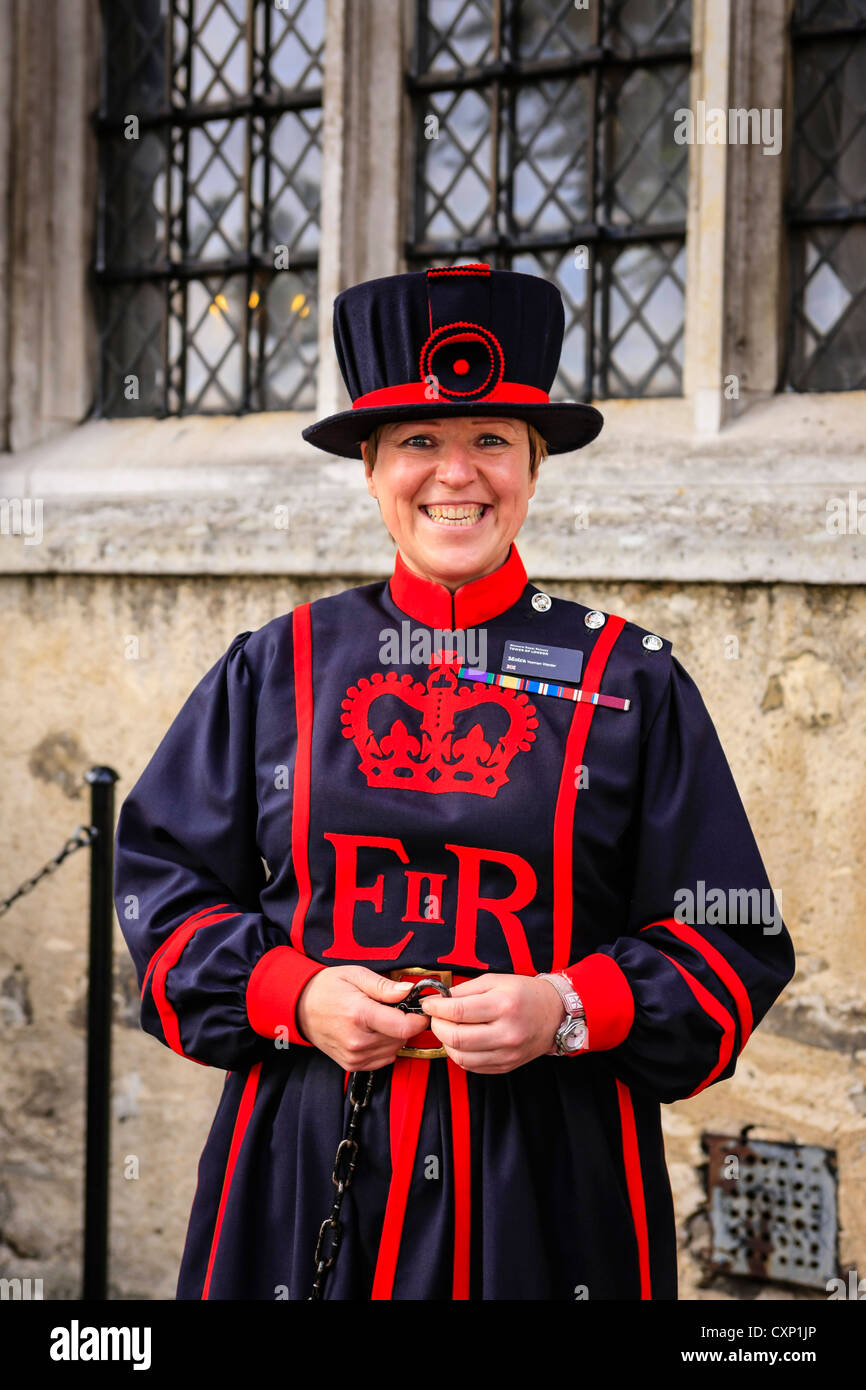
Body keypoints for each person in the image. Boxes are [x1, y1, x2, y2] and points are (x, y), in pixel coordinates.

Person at [113, 262, 795, 1300]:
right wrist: (290, 991)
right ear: (371, 466)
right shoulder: (275, 665)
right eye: (419, 441)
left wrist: (569, 1008)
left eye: (489, 440)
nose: (454, 473)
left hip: (553, 1171)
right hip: (305, 1148)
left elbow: (728, 934)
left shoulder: (632, 677)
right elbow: (159, 886)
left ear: (533, 465)